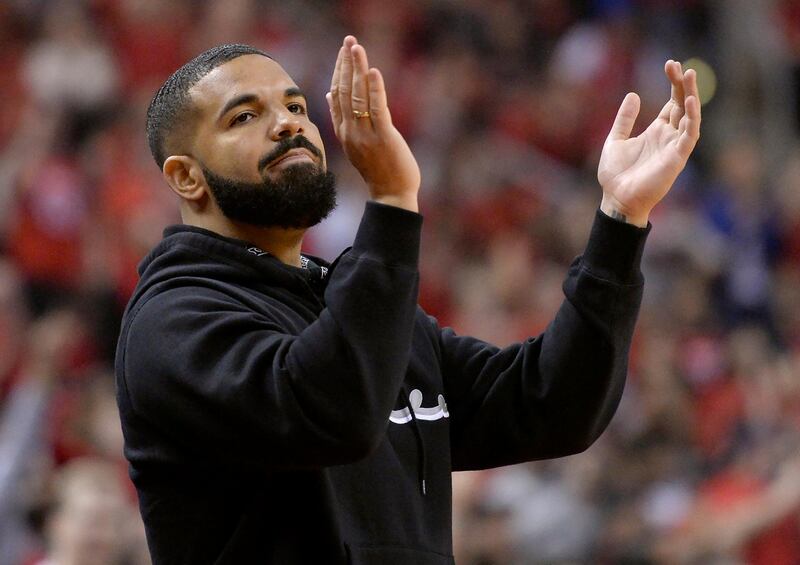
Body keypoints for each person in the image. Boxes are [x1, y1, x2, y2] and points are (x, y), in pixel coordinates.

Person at [115, 35, 700, 564]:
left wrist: (620, 221)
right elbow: (331, 411)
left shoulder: (353, 304)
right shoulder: (172, 319)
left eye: (296, 107)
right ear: (186, 177)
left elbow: (551, 406)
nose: (288, 125)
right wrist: (393, 198)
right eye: (244, 115)